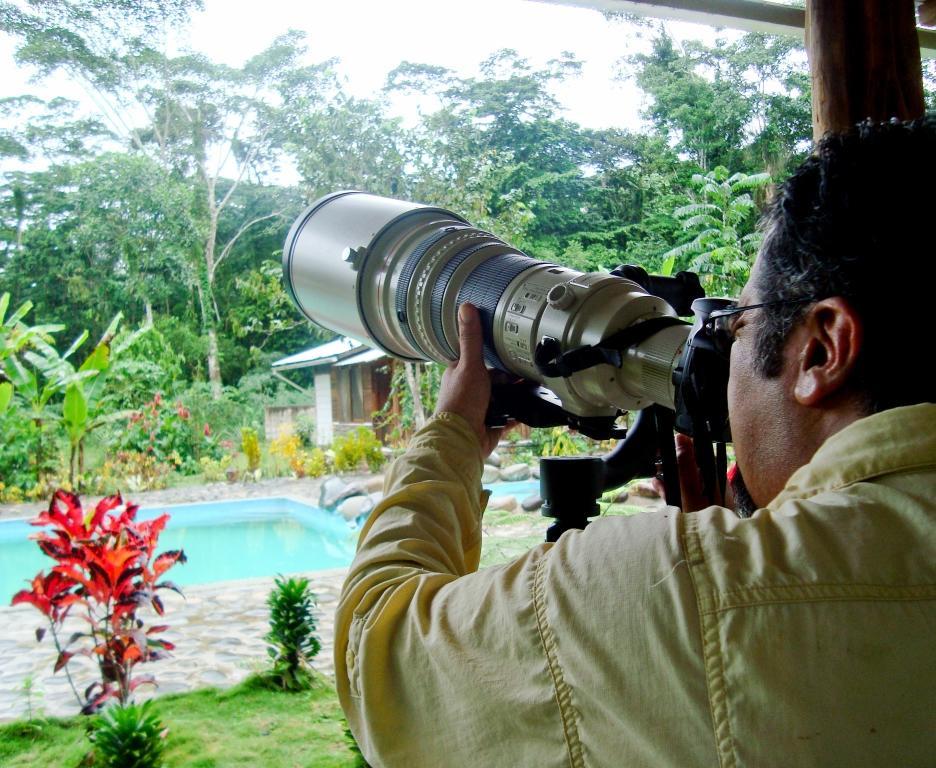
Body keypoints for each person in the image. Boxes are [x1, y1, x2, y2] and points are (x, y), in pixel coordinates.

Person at [334, 117, 936, 767]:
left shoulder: (677, 593)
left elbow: (379, 657)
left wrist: (451, 434)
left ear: (822, 349)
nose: (723, 355)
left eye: (733, 323)